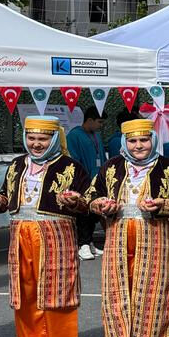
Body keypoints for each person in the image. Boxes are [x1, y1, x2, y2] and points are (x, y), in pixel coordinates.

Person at [0, 115, 90, 337]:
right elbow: (6, 198)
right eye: (31, 138)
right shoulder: (17, 164)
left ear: (53, 139)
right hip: (20, 234)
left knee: (58, 294)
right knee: (25, 294)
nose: (36, 144)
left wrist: (73, 201)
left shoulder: (71, 167)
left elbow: (87, 205)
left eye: (42, 139)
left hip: (55, 234)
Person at [85, 117, 169, 337]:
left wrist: (163, 205)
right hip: (117, 238)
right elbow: (91, 197)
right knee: (117, 296)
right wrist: (100, 205)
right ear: (124, 142)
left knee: (151, 295)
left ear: (153, 140)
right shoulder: (111, 167)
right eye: (133, 141)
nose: (139, 145)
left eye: (144, 139)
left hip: (155, 238)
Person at [66, 106, 105, 260]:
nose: (101, 125)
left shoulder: (96, 135)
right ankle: (82, 245)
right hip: (82, 182)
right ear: (89, 120)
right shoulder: (74, 136)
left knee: (94, 213)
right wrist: (82, 180)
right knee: (83, 213)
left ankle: (89, 243)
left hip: (96, 182)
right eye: (99, 122)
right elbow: (73, 160)